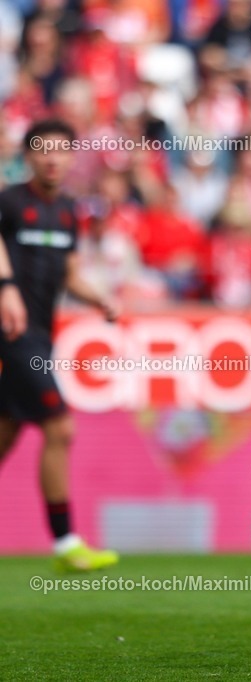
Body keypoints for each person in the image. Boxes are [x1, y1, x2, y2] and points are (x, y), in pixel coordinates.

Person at [0, 119, 120, 572]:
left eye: (60, 150)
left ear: (71, 158)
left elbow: (70, 275)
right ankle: (66, 542)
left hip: (40, 336)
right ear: (28, 156)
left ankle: (66, 543)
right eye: (42, 149)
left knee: (7, 431)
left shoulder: (69, 211)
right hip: (11, 332)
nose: (52, 157)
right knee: (60, 427)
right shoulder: (9, 202)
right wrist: (5, 285)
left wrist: (100, 299)